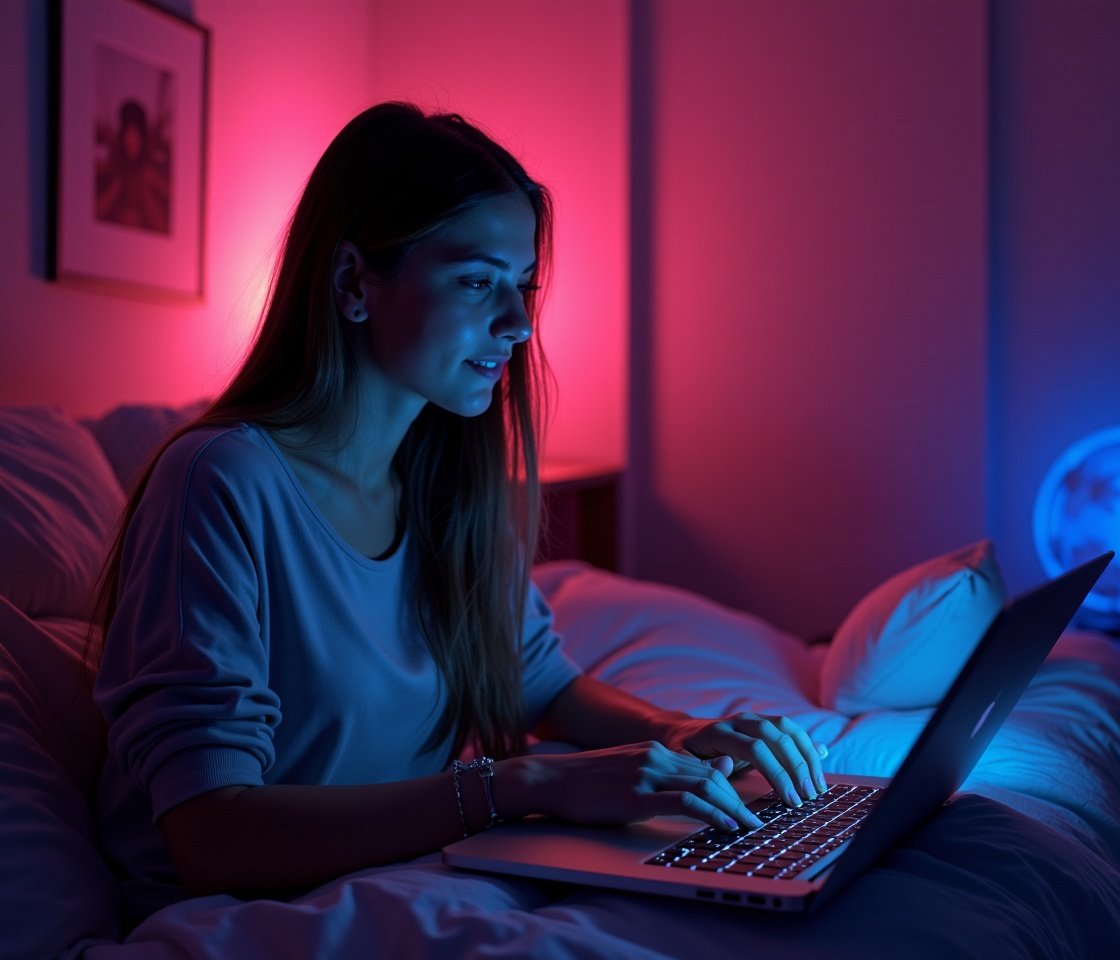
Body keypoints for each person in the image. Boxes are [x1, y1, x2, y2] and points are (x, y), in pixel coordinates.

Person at [92, 102, 828, 924]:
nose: (516, 325)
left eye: (522, 286)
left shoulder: (446, 483)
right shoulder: (219, 481)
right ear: (352, 284)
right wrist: (519, 785)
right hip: (247, 916)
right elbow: (210, 838)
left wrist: (685, 735)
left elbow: (539, 686)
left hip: (408, 882)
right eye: (478, 282)